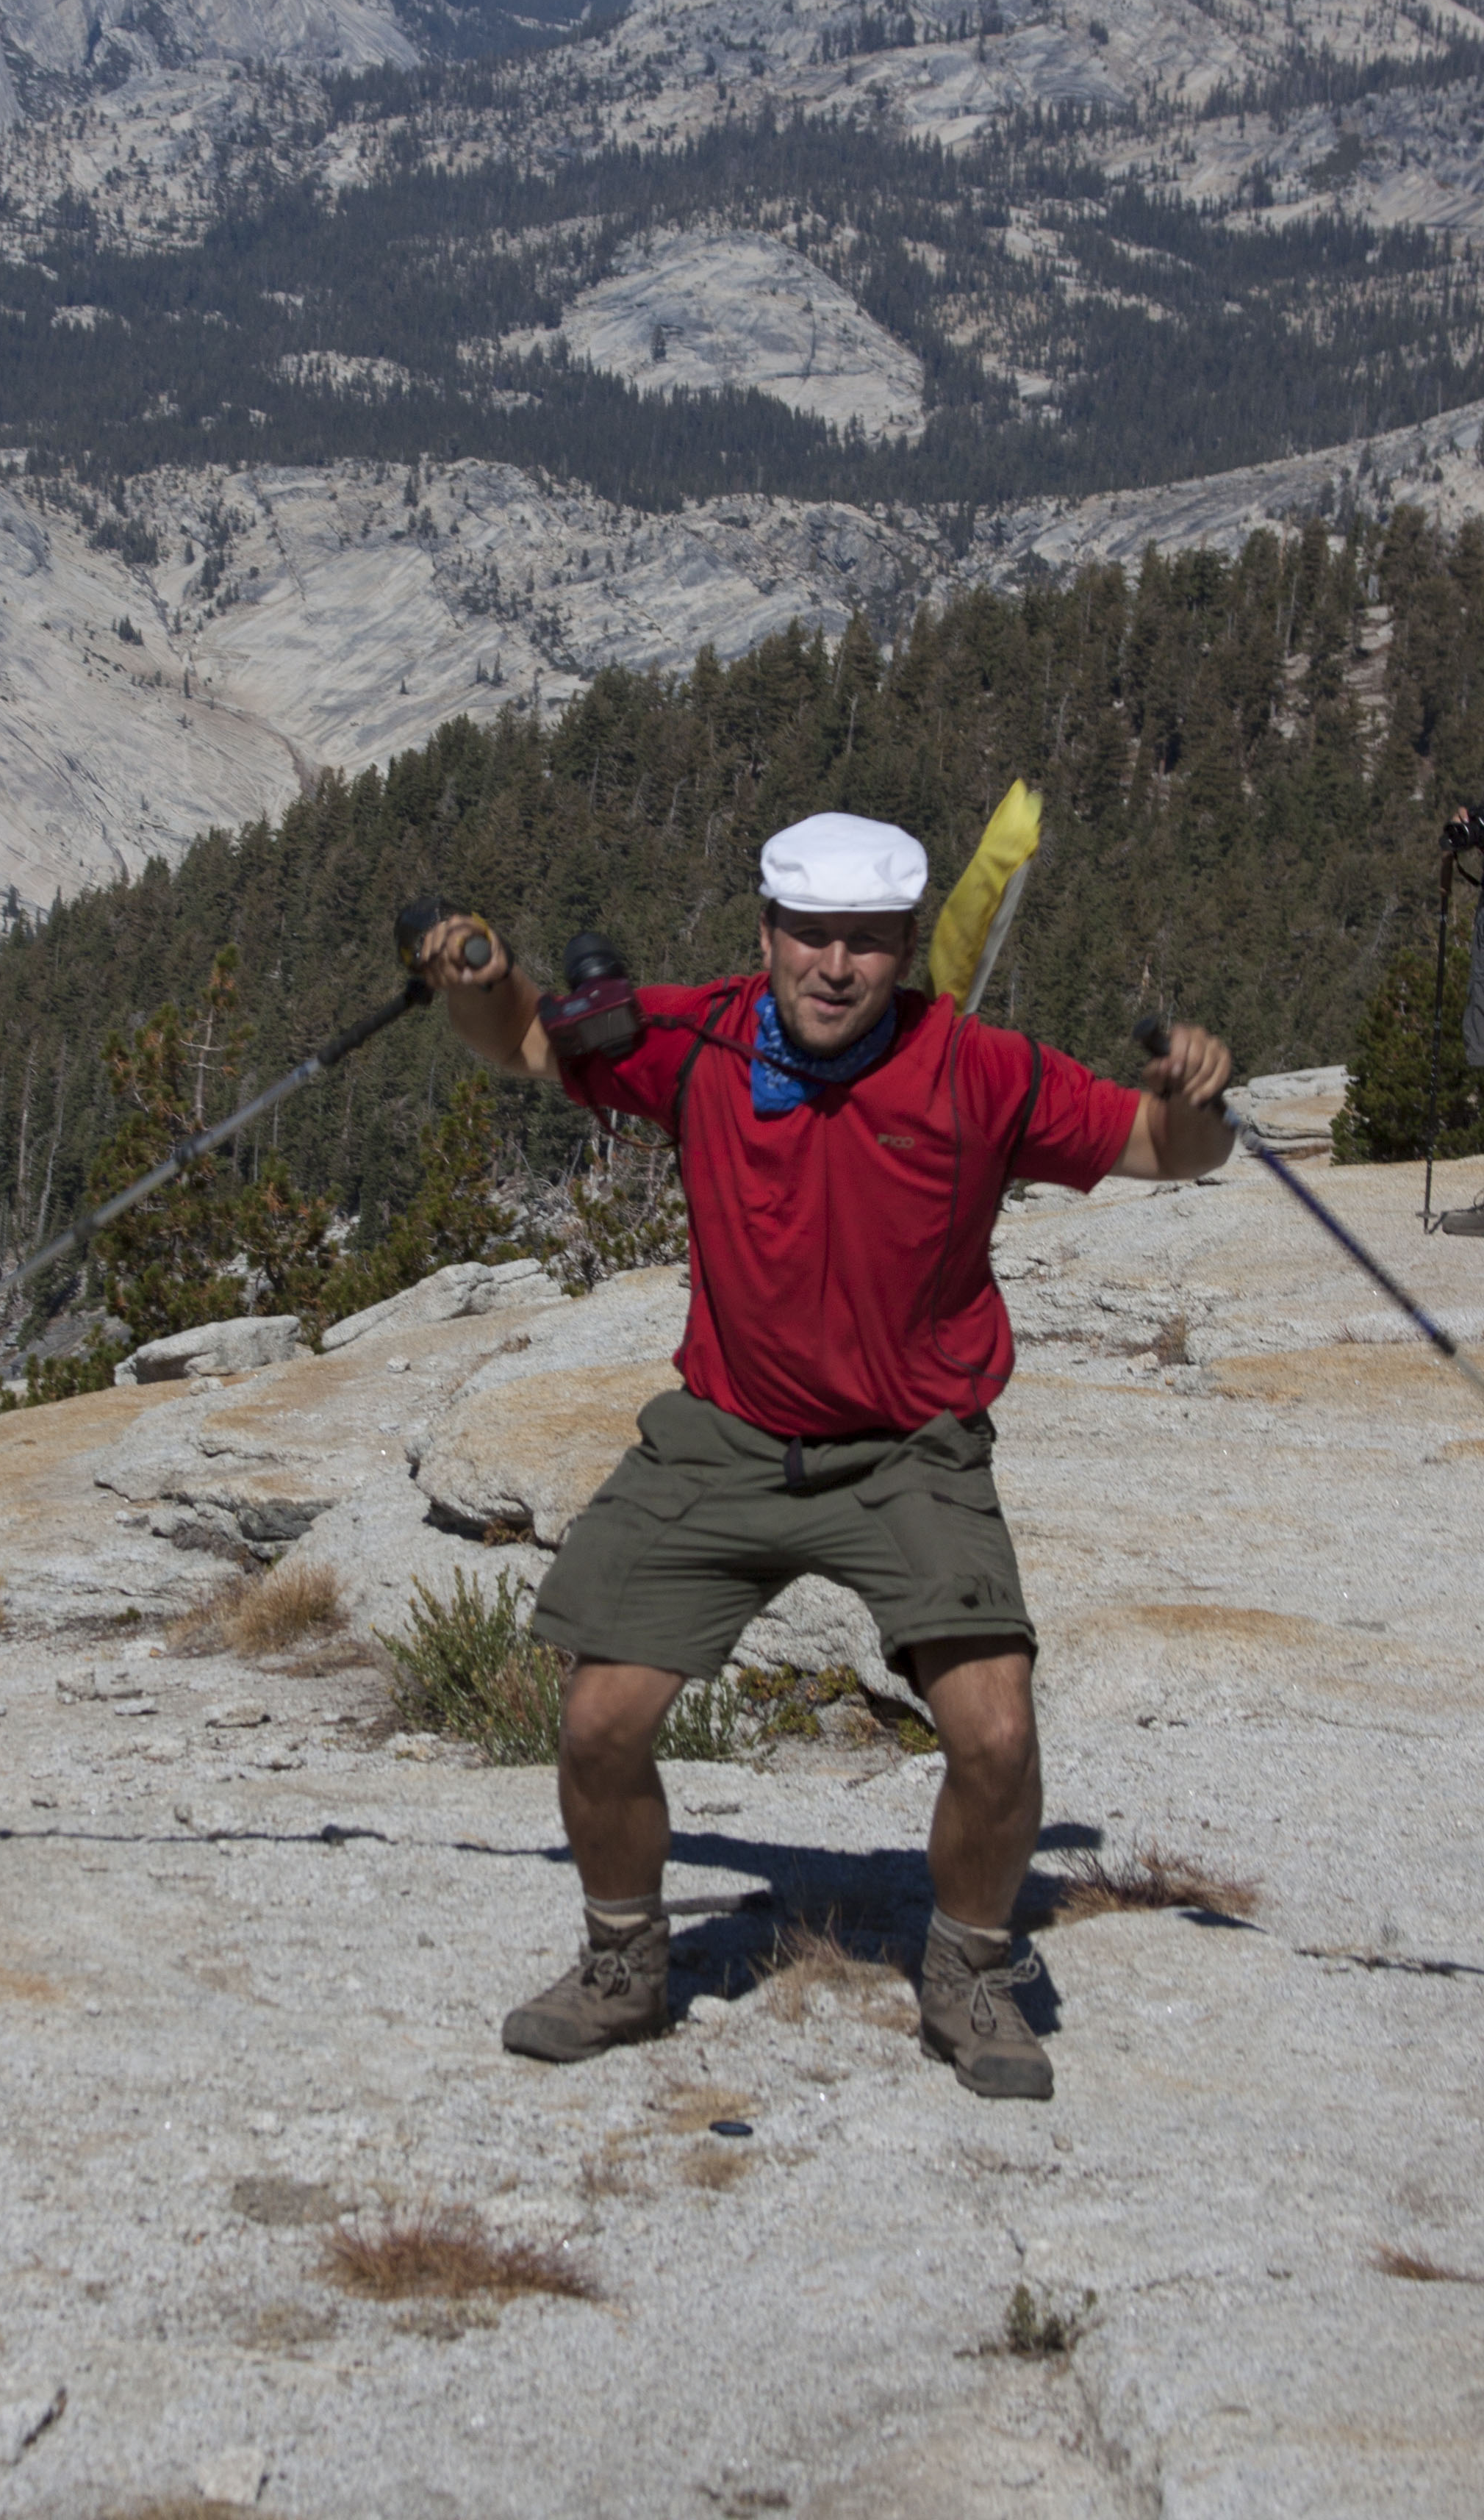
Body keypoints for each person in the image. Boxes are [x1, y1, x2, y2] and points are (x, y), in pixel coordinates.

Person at [417, 811, 1233, 2100]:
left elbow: (1162, 1148)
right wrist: (482, 976)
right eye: (811, 935)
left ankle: (969, 1968)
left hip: (911, 1447)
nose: (836, 966)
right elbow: (523, 1037)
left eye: (867, 942)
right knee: (598, 1720)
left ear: (906, 949)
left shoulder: (979, 1069)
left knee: (997, 1735)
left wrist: (1197, 1101)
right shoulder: (695, 1039)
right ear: (767, 935)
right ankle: (625, 1963)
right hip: (727, 1432)